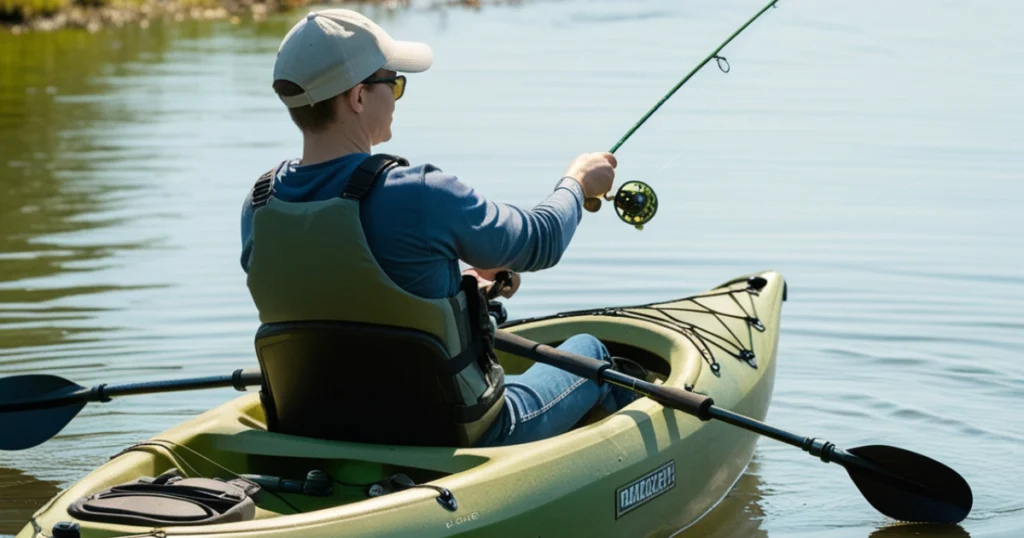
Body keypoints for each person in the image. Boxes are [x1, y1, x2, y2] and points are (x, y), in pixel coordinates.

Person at [240, 8, 637, 447]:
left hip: (318, 426)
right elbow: (540, 240)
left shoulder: (259, 204)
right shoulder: (421, 193)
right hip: (454, 431)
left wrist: (456, 287)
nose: (395, 95)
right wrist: (577, 184)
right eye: (392, 83)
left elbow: (333, 290)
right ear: (357, 97)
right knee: (591, 352)